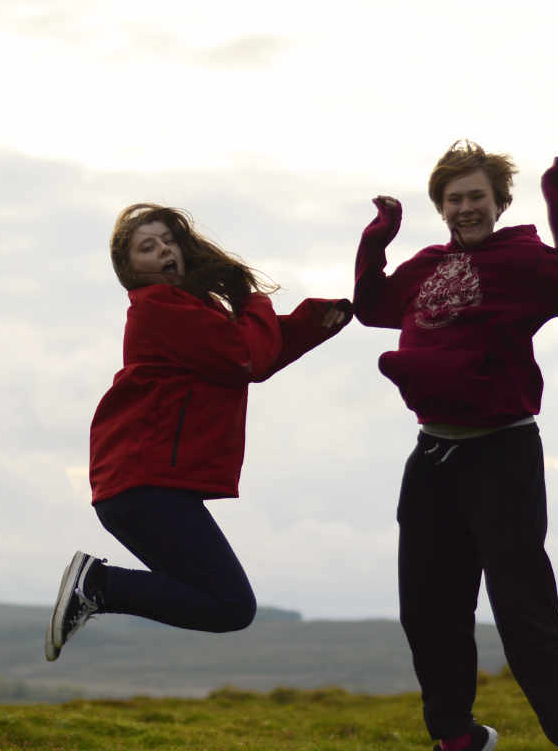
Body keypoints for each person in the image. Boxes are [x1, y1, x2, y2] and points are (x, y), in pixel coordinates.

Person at [354, 142, 558, 751]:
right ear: (440, 207)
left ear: (500, 203)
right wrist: (375, 242)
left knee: (524, 615)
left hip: (501, 455)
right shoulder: (427, 267)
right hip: (433, 458)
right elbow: (375, 306)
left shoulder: (523, 261)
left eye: (477, 196)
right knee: (428, 613)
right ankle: (457, 741)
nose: (466, 207)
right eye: (453, 198)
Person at [43, 204, 350, 663]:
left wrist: (312, 324)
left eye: (168, 240)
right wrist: (254, 299)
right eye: (148, 247)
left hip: (142, 485)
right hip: (144, 483)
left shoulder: (192, 310)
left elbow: (247, 358)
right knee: (228, 604)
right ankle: (98, 585)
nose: (164, 249)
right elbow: (246, 357)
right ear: (130, 271)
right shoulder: (159, 309)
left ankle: (98, 588)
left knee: (224, 603)